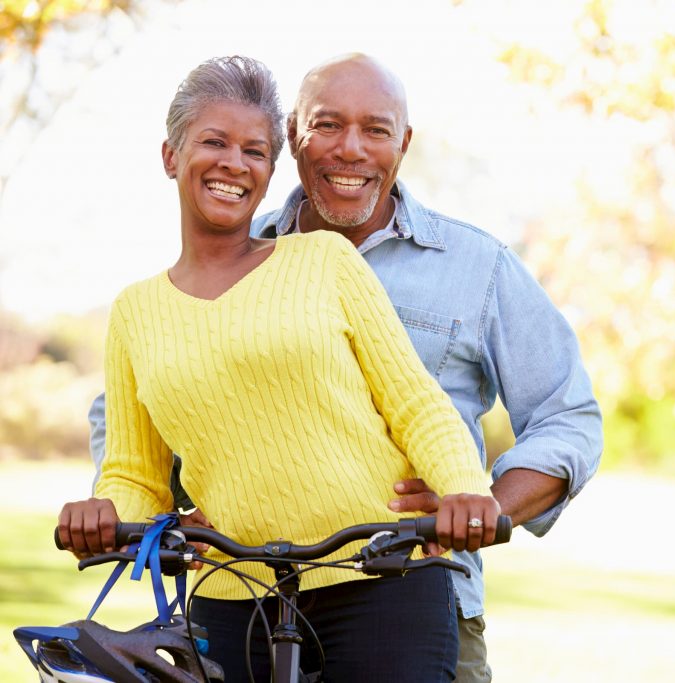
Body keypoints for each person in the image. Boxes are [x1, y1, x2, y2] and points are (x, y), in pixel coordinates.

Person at [89, 53, 603, 682]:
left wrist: (474, 504)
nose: (351, 149)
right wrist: (149, 519)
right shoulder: (162, 296)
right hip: (236, 587)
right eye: (328, 126)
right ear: (296, 139)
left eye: (376, 130)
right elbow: (130, 451)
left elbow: (442, 407)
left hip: (394, 581)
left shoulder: (471, 265)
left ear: (403, 143)